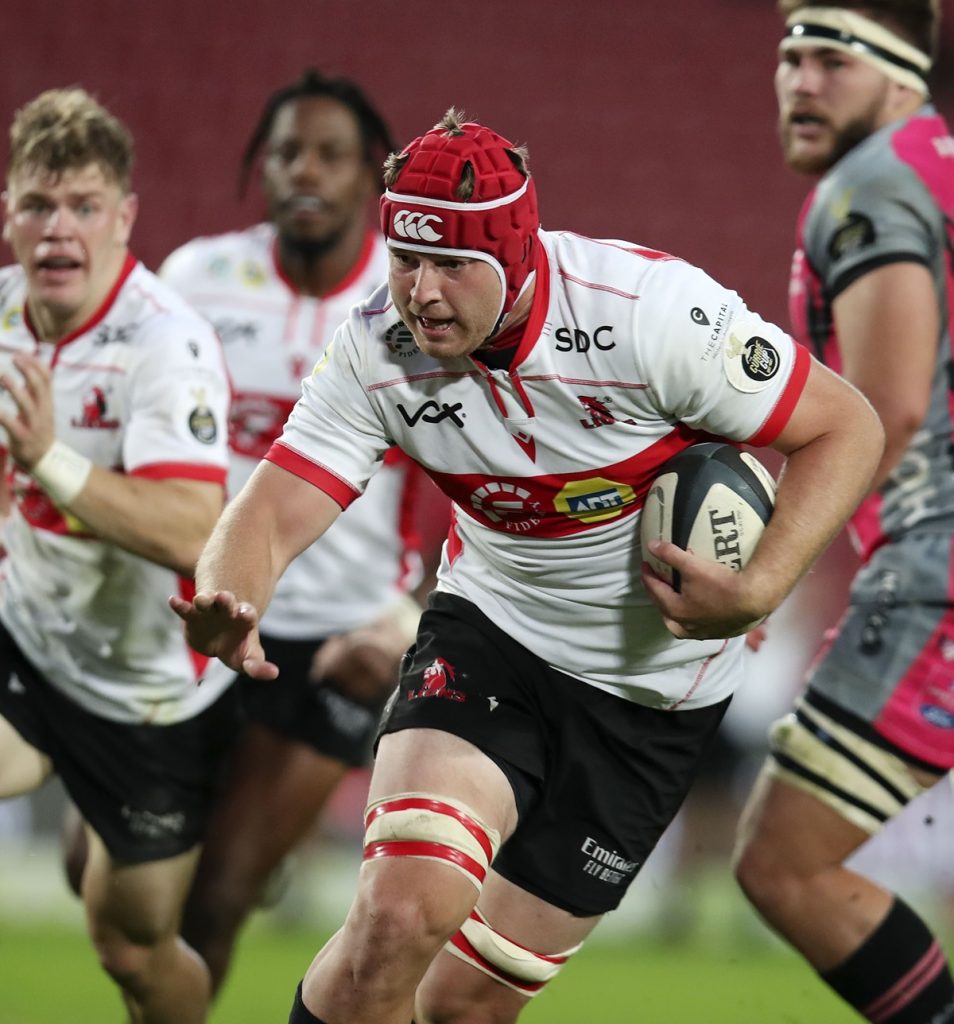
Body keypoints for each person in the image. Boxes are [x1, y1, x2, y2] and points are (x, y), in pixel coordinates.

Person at [171, 108, 883, 1024]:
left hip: (652, 698)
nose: (420, 293)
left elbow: (845, 425)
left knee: (466, 1007)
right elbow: (271, 505)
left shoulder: (650, 316)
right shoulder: (377, 346)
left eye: (452, 264)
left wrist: (760, 585)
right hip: (493, 638)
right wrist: (230, 589)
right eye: (404, 258)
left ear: (518, 256)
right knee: (397, 916)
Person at [156, 68, 444, 995]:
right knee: (114, 885)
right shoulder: (198, 281)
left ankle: (254, 852)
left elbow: (474, 486)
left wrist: (406, 625)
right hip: (206, 608)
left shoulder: (419, 301)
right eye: (286, 152)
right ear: (260, 168)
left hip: (338, 641)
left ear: (372, 177)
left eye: (332, 154)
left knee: (216, 897)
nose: (306, 172)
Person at [733, 4, 954, 1023]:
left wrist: (772, 558)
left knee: (786, 861)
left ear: (904, 74)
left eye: (831, 60)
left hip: (938, 574)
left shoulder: (870, 186)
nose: (799, 83)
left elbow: (890, 405)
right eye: (789, 59)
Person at [0, 89, 233, 1023]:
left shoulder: (165, 344)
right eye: (38, 205)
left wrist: (48, 461)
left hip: (147, 694)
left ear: (125, 218)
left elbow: (189, 528)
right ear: (10, 211)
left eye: (83, 207)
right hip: (25, 643)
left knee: (131, 950)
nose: (59, 230)